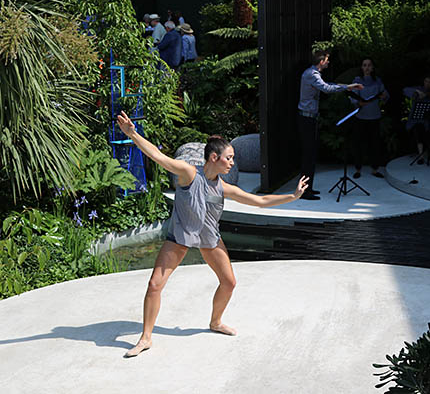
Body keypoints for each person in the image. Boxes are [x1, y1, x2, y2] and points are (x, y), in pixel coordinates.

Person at [116, 111, 309, 358]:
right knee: (154, 285)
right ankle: (146, 338)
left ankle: (215, 322)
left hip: (210, 239)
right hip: (180, 237)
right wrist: (132, 134)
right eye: (229, 158)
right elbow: (158, 156)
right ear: (214, 157)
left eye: (233, 159)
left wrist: (292, 196)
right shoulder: (188, 173)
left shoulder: (223, 187)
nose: (232, 163)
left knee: (229, 282)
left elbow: (259, 201)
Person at [297, 49, 363, 200]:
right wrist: (347, 87)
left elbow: (328, 84)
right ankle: (304, 191)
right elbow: (326, 88)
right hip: (307, 119)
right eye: (327, 60)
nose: (328, 62)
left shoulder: (313, 73)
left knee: (311, 155)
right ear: (321, 62)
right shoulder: (312, 74)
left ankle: (308, 188)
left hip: (310, 118)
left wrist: (348, 86)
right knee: (308, 156)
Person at [349, 58, 389, 179]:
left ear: (372, 67)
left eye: (369, 65)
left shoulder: (378, 81)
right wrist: (358, 102)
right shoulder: (357, 80)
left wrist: (384, 96)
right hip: (361, 117)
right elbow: (352, 97)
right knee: (359, 144)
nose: (367, 67)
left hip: (375, 116)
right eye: (364, 65)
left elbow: (385, 95)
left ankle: (375, 169)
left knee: (375, 144)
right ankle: (358, 169)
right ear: (361, 67)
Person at [402, 75, 430, 164]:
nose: (427, 83)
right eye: (426, 81)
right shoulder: (419, 88)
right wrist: (417, 91)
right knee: (418, 129)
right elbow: (405, 90)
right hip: (418, 119)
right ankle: (420, 156)